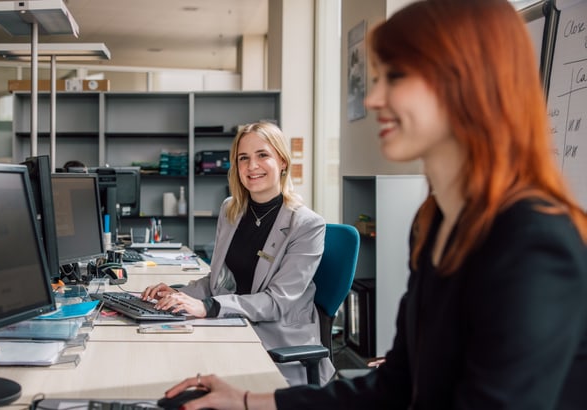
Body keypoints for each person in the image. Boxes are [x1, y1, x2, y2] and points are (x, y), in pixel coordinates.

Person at [160, 1, 587, 408]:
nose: (372, 100)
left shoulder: (533, 241)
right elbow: (394, 386)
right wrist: (249, 401)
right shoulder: (437, 224)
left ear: (465, 84)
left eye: (396, 78)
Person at [141, 121, 335, 386]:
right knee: (162, 360)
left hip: (276, 342)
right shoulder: (231, 210)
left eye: (262, 155)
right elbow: (219, 281)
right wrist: (180, 294)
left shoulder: (307, 225)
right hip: (232, 326)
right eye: (243, 158)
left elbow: (277, 302)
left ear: (282, 162)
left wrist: (209, 306)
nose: (252, 166)